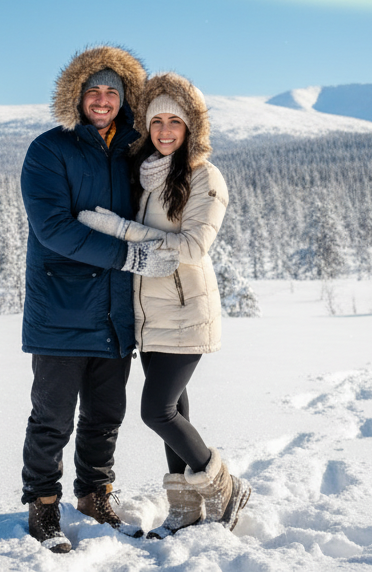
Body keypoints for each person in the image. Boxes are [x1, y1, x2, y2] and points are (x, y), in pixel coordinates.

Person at [19, 45, 180, 553]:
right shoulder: (49, 150)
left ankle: (94, 493)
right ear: (78, 97)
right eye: (94, 91)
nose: (104, 100)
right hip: (61, 309)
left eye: (113, 91)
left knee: (106, 414)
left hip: (116, 310)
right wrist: (128, 258)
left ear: (125, 97)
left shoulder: (136, 151)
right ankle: (43, 506)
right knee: (53, 417)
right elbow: (53, 229)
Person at [79, 72, 251, 536]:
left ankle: (224, 485)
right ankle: (185, 507)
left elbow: (193, 246)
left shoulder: (204, 175)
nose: (165, 131)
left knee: (156, 411)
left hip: (185, 311)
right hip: (149, 316)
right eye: (157, 122)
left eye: (175, 121)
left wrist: (120, 229)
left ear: (191, 126)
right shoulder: (149, 174)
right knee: (177, 410)